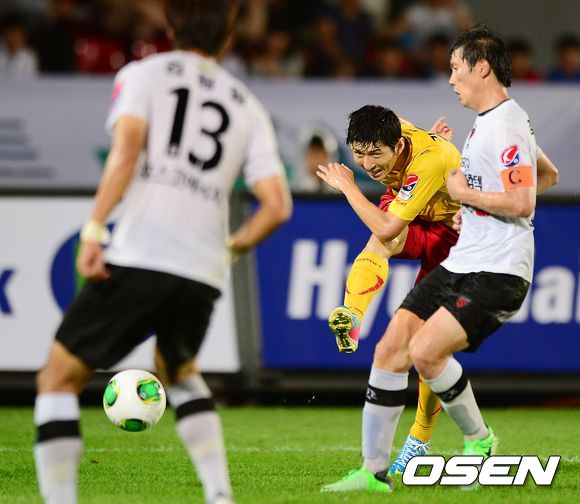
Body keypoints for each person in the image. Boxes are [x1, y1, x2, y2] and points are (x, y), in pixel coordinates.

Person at [32, 2, 292, 504]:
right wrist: (231, 248)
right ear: (227, 39)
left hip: (143, 251)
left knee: (57, 379)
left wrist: (94, 229)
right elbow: (278, 207)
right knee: (181, 373)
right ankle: (219, 495)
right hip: (202, 268)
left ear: (171, 28)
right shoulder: (247, 103)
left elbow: (126, 151)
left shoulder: (145, 74)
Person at [320, 23, 557, 493]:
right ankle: (372, 473)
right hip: (463, 260)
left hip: (498, 269)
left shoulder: (505, 124)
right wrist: (476, 208)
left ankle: (478, 440)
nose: (449, 79)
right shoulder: (492, 122)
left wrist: (467, 197)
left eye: (455, 68)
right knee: (390, 349)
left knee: (426, 352)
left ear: (481, 68)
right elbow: (547, 175)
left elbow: (523, 201)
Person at [316, 105, 462, 481]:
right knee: (380, 243)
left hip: (455, 233)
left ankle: (420, 439)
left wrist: (348, 186)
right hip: (416, 216)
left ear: (397, 146)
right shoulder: (399, 134)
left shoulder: (429, 159)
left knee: (428, 345)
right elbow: (387, 229)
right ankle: (352, 316)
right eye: (358, 153)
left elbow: (386, 226)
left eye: (375, 154)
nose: (367, 164)